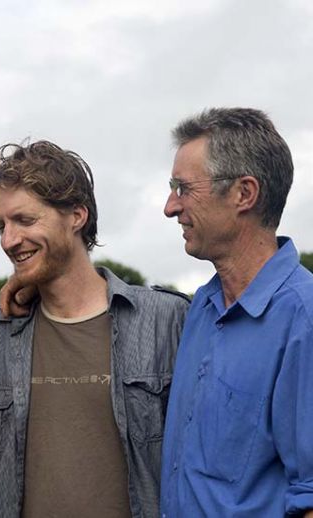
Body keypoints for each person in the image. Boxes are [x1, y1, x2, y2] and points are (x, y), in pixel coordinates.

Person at [0, 140, 189, 518]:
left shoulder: (167, 320)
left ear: (77, 215)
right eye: (1, 225)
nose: (8, 240)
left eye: (25, 220)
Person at [160, 107, 313, 517]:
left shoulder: (304, 318)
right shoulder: (203, 307)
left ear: (244, 193)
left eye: (183, 188)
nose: (170, 207)